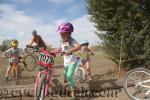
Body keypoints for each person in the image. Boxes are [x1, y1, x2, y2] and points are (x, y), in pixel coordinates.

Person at [54, 22, 81, 98]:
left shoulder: (71, 40)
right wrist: (53, 51)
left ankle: (73, 92)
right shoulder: (62, 40)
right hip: (66, 62)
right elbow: (60, 48)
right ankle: (68, 81)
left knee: (69, 76)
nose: (61, 35)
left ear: (69, 33)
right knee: (65, 75)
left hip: (72, 62)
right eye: (60, 33)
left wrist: (70, 50)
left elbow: (78, 46)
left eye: (63, 34)